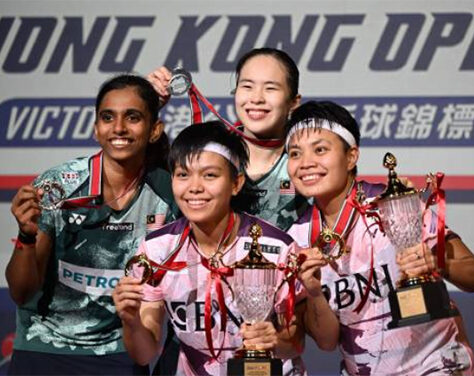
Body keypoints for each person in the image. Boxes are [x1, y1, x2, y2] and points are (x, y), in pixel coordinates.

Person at [285, 101, 474, 375]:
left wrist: (436, 262)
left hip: (436, 365)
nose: (306, 163)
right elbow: (326, 341)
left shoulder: (393, 203)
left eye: (320, 150)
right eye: (295, 153)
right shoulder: (297, 239)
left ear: (351, 157)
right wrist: (313, 292)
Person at [6, 74, 178, 375]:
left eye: (133, 117)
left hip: (118, 352)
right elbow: (22, 293)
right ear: (96, 129)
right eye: (107, 117)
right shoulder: (59, 184)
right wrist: (26, 235)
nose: (119, 128)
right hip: (43, 345)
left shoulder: (169, 193)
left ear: (154, 131)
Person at [112, 121, 306, 375]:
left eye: (209, 175)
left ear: (236, 183)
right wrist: (131, 321)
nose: (194, 187)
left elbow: (295, 344)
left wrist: (275, 341)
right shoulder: (157, 250)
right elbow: (144, 353)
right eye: (183, 174)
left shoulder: (276, 248)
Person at [148, 47, 308, 231]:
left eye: (270, 88)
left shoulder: (307, 161)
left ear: (294, 102)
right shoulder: (213, 152)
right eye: (247, 86)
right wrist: (146, 104)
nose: (256, 98)